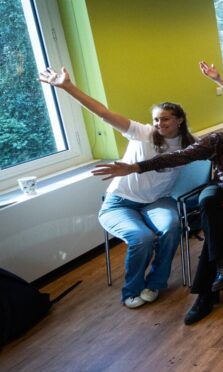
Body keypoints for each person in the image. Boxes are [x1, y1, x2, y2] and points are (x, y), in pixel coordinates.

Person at [93, 105, 223, 325]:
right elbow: (178, 157)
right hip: (220, 192)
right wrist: (135, 167)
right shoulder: (218, 141)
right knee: (208, 201)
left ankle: (206, 294)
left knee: (213, 230)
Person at [39, 67, 193, 309]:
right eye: (156, 119)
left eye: (165, 119)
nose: (159, 123)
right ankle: (131, 290)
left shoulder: (189, 145)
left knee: (172, 227)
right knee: (141, 238)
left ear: (179, 120)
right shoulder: (143, 133)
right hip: (120, 202)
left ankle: (155, 283)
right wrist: (67, 86)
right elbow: (102, 112)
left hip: (158, 200)